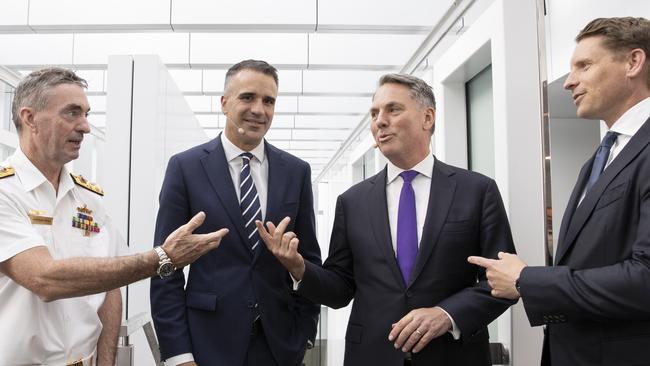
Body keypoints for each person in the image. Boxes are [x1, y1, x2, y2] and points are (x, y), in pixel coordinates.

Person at [258, 73, 516, 365]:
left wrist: (447, 315)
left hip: (454, 355)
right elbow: (341, 288)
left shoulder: (477, 191)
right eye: (374, 113)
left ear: (427, 118)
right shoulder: (352, 202)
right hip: (371, 355)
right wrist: (299, 268)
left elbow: (503, 282)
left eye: (393, 109)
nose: (380, 121)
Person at [0, 67, 228, 366]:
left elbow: (110, 286)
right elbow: (45, 279)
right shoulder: (6, 193)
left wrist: (106, 361)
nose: (85, 126)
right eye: (72, 113)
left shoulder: (87, 198)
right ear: (30, 118)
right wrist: (161, 257)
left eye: (86, 114)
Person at [468, 17, 650, 365]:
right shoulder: (599, 159)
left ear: (633, 62)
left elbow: (646, 277)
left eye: (584, 65)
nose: (569, 82)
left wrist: (526, 280)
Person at [150, 59, 322, 366]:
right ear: (224, 103)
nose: (259, 109)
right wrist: (178, 355)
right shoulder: (186, 168)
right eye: (248, 97)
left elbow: (309, 260)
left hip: (279, 348)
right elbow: (165, 266)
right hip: (206, 346)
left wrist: (305, 333)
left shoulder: (296, 172)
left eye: (269, 101)